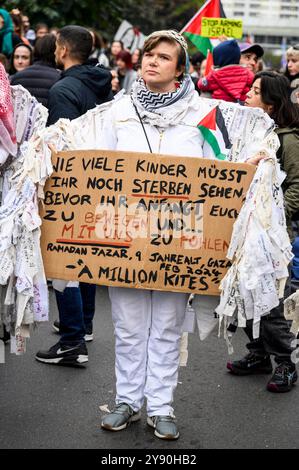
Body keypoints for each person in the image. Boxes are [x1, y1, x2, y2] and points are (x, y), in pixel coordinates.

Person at [99, 29, 217, 441]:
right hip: (126, 237)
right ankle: (127, 401)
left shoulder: (204, 115)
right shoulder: (116, 111)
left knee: (166, 326)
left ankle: (162, 406)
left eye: (164, 57)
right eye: (149, 54)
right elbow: (89, 161)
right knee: (128, 326)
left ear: (180, 69)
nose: (151, 61)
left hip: (179, 240)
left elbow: (221, 170)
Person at [35, 25, 113, 367]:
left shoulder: (63, 88)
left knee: (63, 261)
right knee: (87, 255)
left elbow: (61, 146)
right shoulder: (101, 83)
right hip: (98, 181)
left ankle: (71, 341)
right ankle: (84, 325)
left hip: (71, 187)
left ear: (62, 49)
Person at [227, 71, 299, 392]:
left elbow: (297, 185)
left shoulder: (288, 140)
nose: (247, 95)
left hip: (271, 233)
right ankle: (258, 354)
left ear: (270, 104)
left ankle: (286, 362)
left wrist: (274, 217)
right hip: (243, 230)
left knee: (268, 300)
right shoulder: (251, 133)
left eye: (255, 92)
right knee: (242, 294)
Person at [10, 34, 60, 107]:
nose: (20, 61)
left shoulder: (17, 77)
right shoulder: (59, 77)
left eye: (24, 57)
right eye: (16, 57)